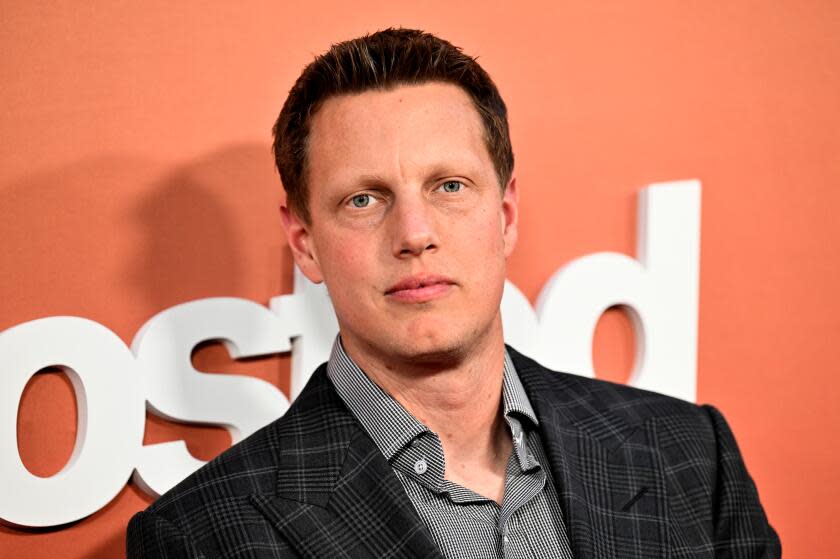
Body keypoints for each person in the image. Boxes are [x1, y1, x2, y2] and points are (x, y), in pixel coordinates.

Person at [127, 28, 780, 558]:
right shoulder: (201, 538)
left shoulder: (689, 453)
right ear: (304, 241)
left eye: (449, 186)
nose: (414, 234)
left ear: (506, 213)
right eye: (363, 198)